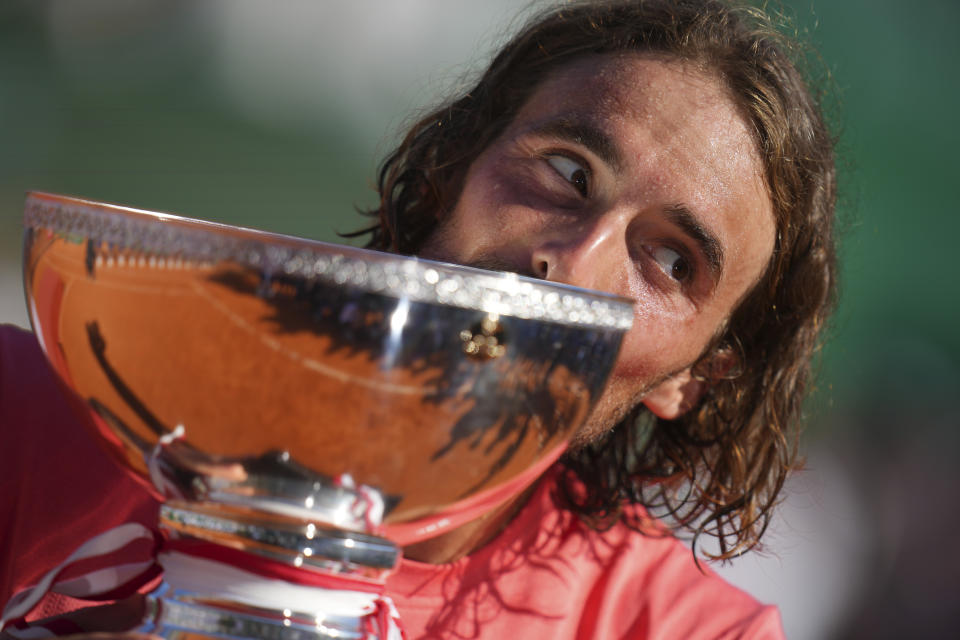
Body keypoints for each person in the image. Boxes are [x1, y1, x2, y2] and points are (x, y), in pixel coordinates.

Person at [0, 0, 836, 638]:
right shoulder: (33, 418)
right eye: (566, 171)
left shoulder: (675, 629)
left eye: (671, 261)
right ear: (446, 172)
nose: (574, 263)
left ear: (692, 379)